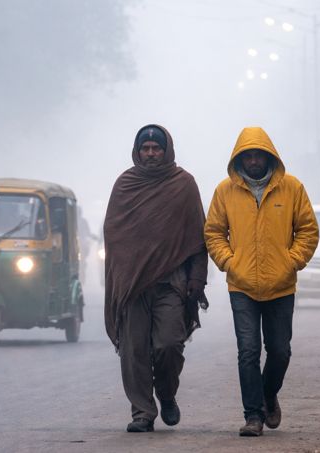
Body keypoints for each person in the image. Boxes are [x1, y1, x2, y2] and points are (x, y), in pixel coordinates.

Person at [204, 127, 318, 437]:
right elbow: (214, 232)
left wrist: (291, 262)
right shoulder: (224, 191)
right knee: (248, 351)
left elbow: (307, 230)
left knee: (280, 351)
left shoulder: (292, 188)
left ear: (269, 156)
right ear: (239, 158)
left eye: (258, 155)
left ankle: (268, 395)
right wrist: (230, 262)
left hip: (281, 286)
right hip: (242, 287)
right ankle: (253, 416)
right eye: (248, 155)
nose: (253, 160)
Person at [104, 124, 208, 433]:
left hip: (171, 284)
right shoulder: (125, 185)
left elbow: (197, 238)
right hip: (134, 286)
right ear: (137, 152)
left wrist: (197, 280)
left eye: (156, 148)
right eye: (145, 148)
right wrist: (124, 274)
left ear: (167, 151)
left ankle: (166, 393)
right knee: (133, 351)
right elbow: (114, 234)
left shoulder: (184, 185)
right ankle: (142, 412)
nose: (151, 153)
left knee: (168, 345)